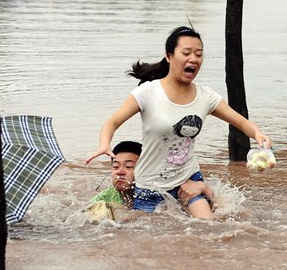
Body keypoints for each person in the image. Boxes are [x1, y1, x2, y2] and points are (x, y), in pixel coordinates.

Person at [85, 26, 271, 219]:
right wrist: (104, 144)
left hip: (188, 181)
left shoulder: (206, 97)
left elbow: (241, 122)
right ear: (169, 56)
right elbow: (113, 121)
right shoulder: (148, 93)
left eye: (198, 54)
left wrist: (258, 134)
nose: (194, 59)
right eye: (186, 53)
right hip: (149, 188)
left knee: (209, 229)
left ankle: (204, 190)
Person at [89, 140, 213, 209]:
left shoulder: (161, 193)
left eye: (129, 167)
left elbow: (220, 209)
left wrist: (203, 187)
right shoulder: (105, 197)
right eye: (115, 166)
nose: (120, 172)